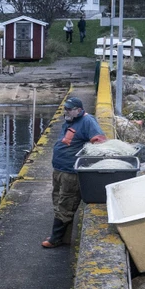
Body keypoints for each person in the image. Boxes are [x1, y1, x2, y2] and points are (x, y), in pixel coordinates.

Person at [43, 96, 106, 248]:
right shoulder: (70, 121)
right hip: (60, 169)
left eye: (69, 109)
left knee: (66, 204)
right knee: (58, 201)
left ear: (79, 110)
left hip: (71, 173)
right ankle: (64, 238)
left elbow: (100, 141)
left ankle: (55, 239)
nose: (66, 111)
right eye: (65, 108)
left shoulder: (87, 121)